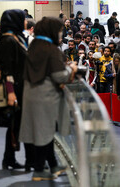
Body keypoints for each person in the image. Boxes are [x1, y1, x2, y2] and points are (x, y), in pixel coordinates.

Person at [19, 16, 78, 181]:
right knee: (44, 133)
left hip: (33, 94)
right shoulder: (51, 49)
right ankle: (39, 170)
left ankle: (51, 165)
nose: (60, 36)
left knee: (43, 132)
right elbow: (59, 76)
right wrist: (71, 69)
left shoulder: (35, 46)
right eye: (59, 32)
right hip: (45, 97)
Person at [0, 9, 34, 171]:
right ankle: (31, 161)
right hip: (15, 90)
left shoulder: (17, 38)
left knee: (16, 124)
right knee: (21, 124)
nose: (26, 21)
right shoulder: (8, 41)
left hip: (22, 87)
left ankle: (9, 158)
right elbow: (6, 69)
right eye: (23, 18)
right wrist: (10, 92)